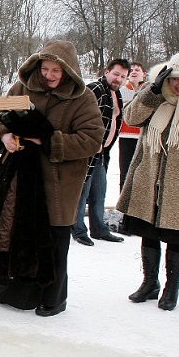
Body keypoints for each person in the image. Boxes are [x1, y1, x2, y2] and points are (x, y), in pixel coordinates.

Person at [0, 39, 103, 317]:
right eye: (45, 69)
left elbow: (92, 139)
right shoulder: (22, 87)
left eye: (56, 71)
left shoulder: (83, 99)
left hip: (58, 182)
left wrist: (48, 140)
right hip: (18, 178)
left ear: (68, 71)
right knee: (12, 235)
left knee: (54, 241)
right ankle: (8, 291)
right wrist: (5, 136)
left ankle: (55, 299)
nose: (49, 75)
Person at [117, 50, 179, 311]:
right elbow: (131, 117)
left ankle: (171, 288)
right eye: (175, 79)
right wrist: (152, 91)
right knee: (148, 232)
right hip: (148, 176)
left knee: (175, 236)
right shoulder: (155, 96)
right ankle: (149, 282)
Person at [71, 58, 130, 246]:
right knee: (82, 191)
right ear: (106, 72)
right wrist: (90, 140)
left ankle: (99, 229)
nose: (119, 79)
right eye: (116, 74)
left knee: (99, 191)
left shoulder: (116, 93)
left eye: (123, 76)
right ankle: (78, 229)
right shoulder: (94, 89)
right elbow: (79, 116)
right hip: (87, 151)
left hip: (102, 152)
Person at [118, 61, 147, 192]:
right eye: (132, 70)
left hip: (144, 138)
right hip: (126, 137)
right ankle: (123, 199)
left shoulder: (149, 92)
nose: (134, 72)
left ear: (144, 74)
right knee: (125, 172)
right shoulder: (121, 91)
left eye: (137, 70)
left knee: (142, 173)